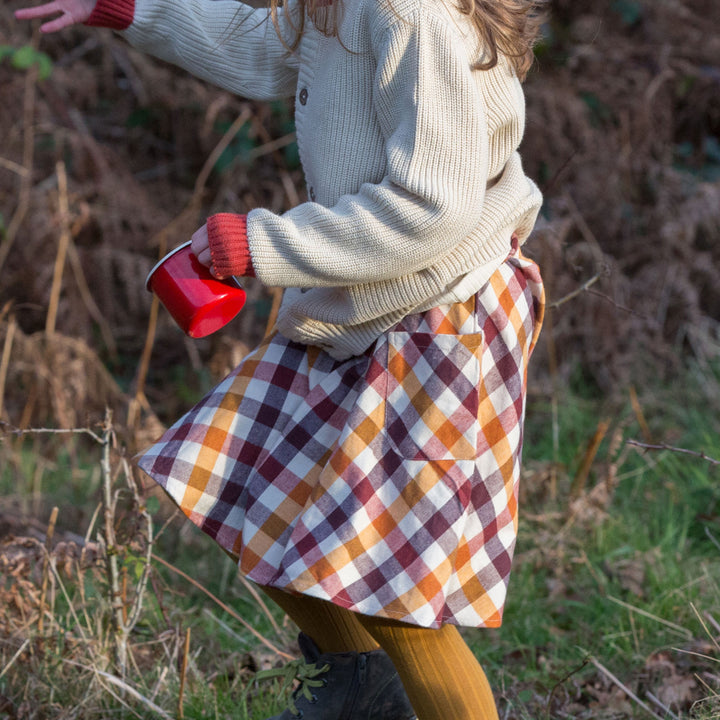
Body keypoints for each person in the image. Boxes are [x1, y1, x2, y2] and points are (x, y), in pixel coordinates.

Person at [15, 0, 546, 716]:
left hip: (443, 317)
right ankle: (364, 693)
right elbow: (265, 45)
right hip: (362, 302)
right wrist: (132, 8)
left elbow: (432, 207)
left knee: (395, 594)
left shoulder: (412, 13)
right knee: (254, 501)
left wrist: (265, 245)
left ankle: (385, 684)